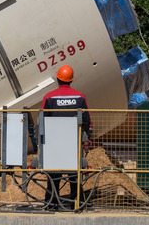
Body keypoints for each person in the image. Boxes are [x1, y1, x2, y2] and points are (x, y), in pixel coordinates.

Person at [41, 64, 92, 210]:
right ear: (71, 80)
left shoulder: (49, 97)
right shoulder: (79, 97)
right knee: (74, 177)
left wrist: (43, 143)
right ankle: (77, 204)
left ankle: (51, 204)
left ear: (58, 79)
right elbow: (87, 120)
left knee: (53, 177)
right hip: (73, 145)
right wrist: (86, 138)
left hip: (54, 145)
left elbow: (43, 120)